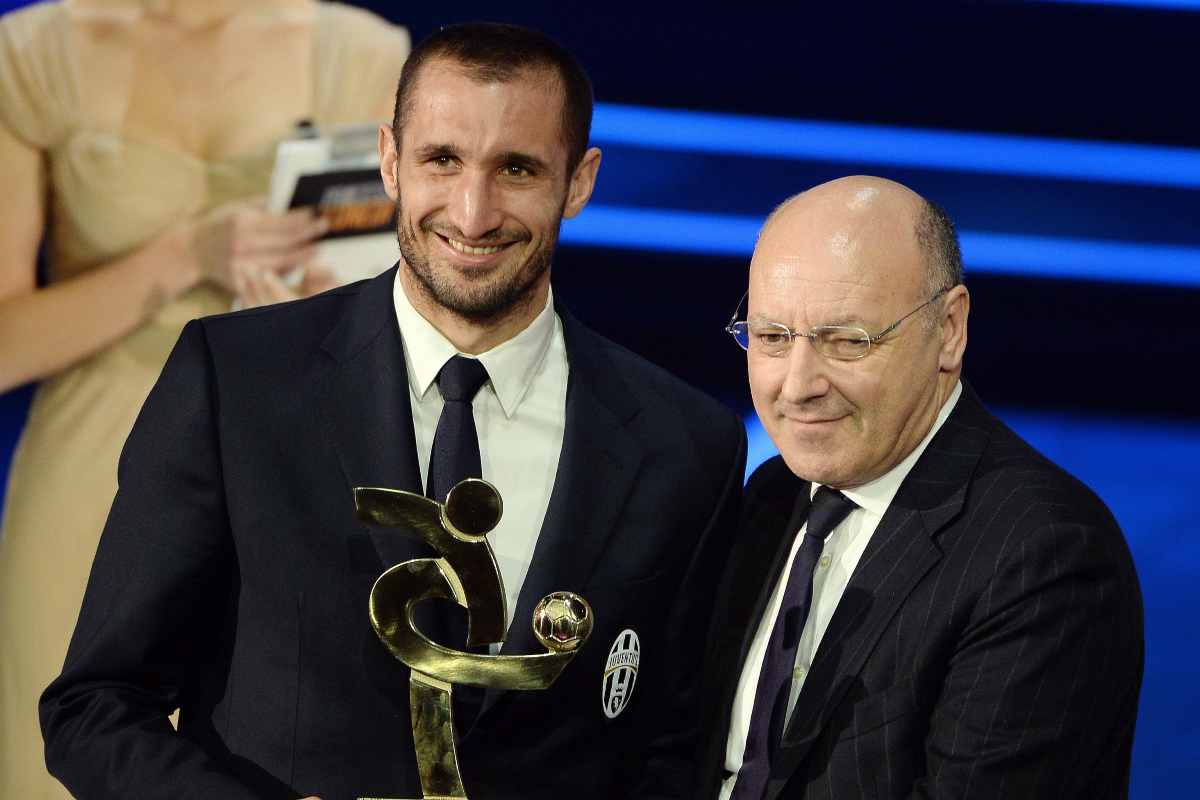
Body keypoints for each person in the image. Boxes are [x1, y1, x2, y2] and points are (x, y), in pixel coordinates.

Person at [39, 21, 747, 800]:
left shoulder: (686, 445)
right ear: (389, 161)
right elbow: (95, 707)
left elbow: (677, 750)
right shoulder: (236, 382)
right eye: (442, 160)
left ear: (579, 182)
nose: (473, 214)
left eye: (516, 168)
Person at [0, 2, 409, 796]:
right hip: (91, 462)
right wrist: (185, 254)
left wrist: (322, 311)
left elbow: (400, 298)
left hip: (285, 460)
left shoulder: (361, 53)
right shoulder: (33, 55)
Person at [695, 176, 1143, 800]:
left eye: (848, 341)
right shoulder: (773, 495)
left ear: (950, 329)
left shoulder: (1046, 555)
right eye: (771, 338)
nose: (795, 386)